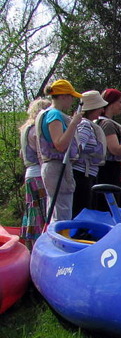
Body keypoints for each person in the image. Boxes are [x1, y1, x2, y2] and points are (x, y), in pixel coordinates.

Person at [37, 79, 84, 223]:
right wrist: (74, 123)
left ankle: (56, 240)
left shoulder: (47, 113)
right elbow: (60, 144)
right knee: (62, 212)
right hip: (57, 166)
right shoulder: (54, 114)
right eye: (71, 96)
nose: (72, 101)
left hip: (52, 167)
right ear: (63, 96)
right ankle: (60, 241)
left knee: (56, 209)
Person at [18, 97, 52, 248]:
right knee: (43, 211)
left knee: (33, 211)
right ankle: (41, 246)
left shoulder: (25, 129)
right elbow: (41, 152)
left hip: (29, 173)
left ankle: (30, 245)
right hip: (39, 174)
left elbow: (21, 153)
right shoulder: (35, 130)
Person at [71, 91, 108, 217]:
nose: (102, 110)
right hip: (81, 174)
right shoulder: (85, 125)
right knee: (81, 210)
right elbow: (78, 147)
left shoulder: (88, 124)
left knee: (84, 209)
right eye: (100, 107)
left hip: (87, 174)